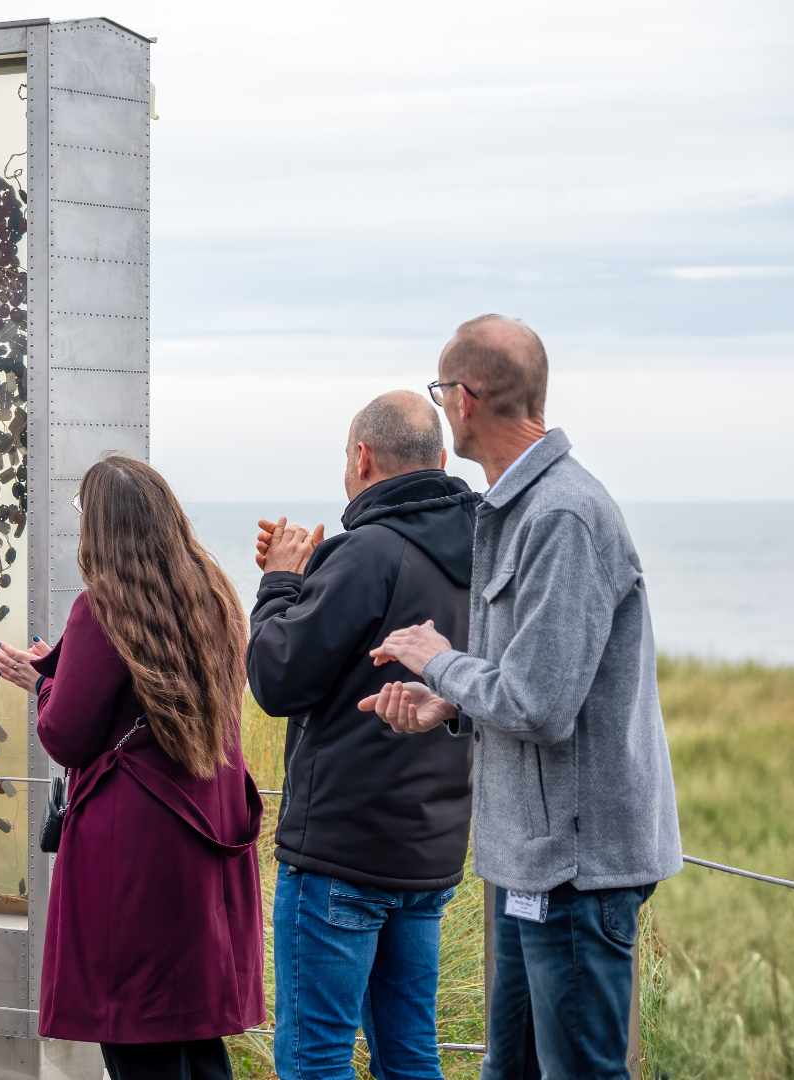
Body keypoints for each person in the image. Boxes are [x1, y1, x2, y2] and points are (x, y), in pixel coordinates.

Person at [362, 316, 682, 1080]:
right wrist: (453, 704)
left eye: (442, 390)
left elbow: (541, 704)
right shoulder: (520, 507)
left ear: (464, 399)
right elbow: (532, 681)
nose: (440, 405)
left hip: (574, 870)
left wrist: (440, 664)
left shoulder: (561, 515)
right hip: (530, 865)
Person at [0, 453, 265, 1080]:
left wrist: (42, 686)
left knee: (138, 1042)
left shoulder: (104, 607)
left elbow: (68, 735)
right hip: (203, 844)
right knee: (197, 1038)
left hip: (132, 863)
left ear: (101, 529)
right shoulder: (211, 594)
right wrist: (62, 668)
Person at [246, 391, 479, 1080]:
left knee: (315, 1057)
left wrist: (282, 584)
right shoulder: (485, 551)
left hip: (342, 853)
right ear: (440, 461)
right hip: (428, 849)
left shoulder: (370, 551)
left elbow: (277, 678)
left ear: (362, 458)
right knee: (410, 1052)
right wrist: (308, 578)